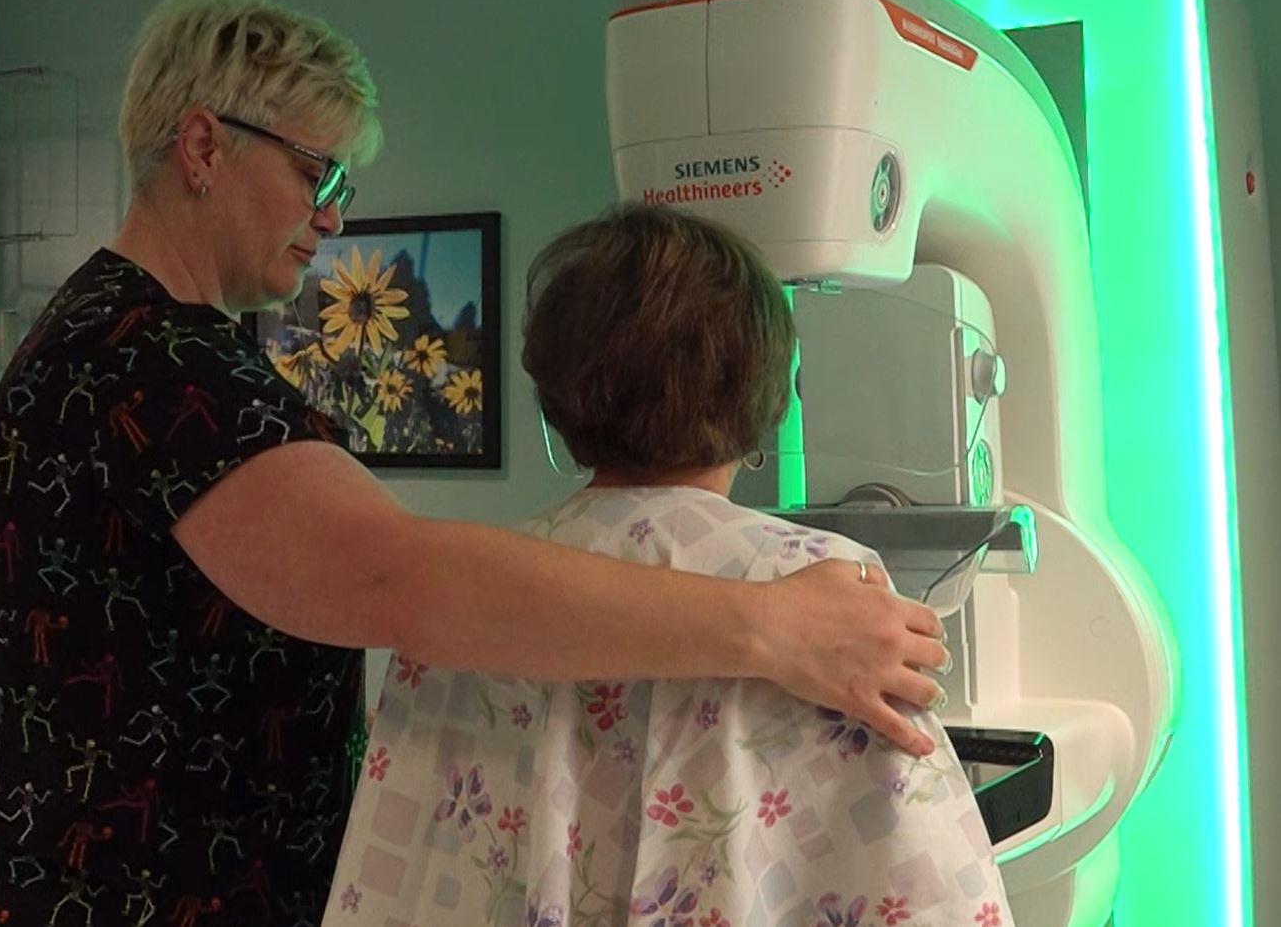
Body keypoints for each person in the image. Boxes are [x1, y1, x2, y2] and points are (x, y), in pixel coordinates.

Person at [0, 0, 948, 927]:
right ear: (202, 145)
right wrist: (775, 628)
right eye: (314, 172)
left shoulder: (109, 340)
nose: (333, 215)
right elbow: (396, 580)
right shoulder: (152, 367)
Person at [323, 206, 1010, 927]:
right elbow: (933, 892)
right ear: (772, 395)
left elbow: (396, 874)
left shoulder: (473, 593)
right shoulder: (827, 587)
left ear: (555, 390)